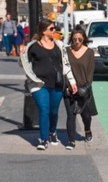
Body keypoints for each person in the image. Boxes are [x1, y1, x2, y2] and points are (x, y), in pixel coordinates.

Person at [20, 19, 77, 150]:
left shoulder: (59, 45)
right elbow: (22, 63)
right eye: (52, 28)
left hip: (57, 83)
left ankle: (52, 132)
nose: (54, 30)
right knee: (44, 109)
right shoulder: (32, 46)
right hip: (38, 84)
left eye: (54, 28)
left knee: (53, 111)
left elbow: (66, 64)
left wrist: (72, 81)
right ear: (43, 31)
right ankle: (43, 139)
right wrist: (21, 55)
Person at [63, 26, 98, 149]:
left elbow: (90, 73)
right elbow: (63, 69)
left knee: (86, 116)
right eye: (74, 39)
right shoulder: (66, 51)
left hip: (85, 89)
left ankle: (87, 130)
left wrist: (85, 87)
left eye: (79, 39)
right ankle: (71, 141)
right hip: (69, 88)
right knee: (70, 115)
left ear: (84, 39)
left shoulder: (89, 53)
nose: (76, 42)